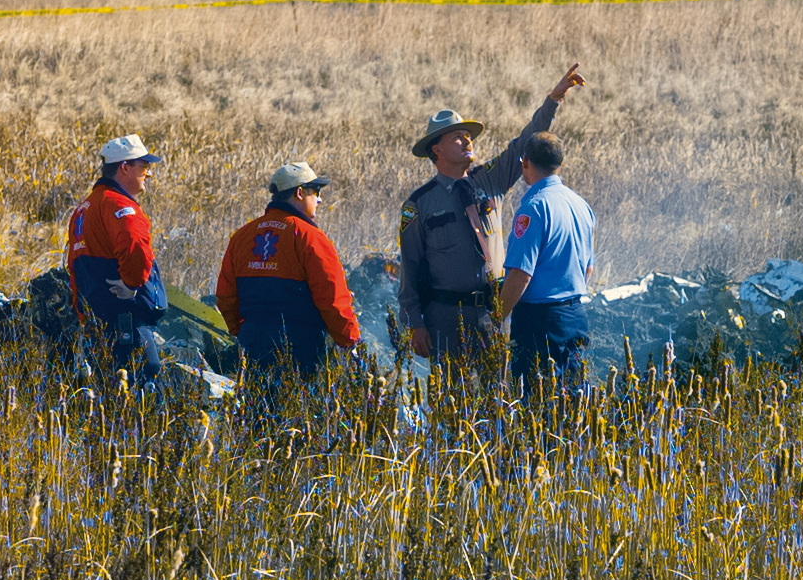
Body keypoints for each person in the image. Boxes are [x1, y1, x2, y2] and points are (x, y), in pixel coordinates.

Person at [399, 62, 585, 360]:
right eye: (457, 136)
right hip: (447, 320)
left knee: (495, 400)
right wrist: (415, 324)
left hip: (493, 316)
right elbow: (409, 269)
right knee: (452, 400)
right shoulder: (419, 204)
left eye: (468, 135)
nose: (468, 140)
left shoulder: (489, 179)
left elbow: (524, 143)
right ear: (437, 149)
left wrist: (554, 100)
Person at [216, 161, 360, 376]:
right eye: (316, 192)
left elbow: (225, 296)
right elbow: (332, 297)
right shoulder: (310, 237)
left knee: (258, 406)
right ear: (300, 193)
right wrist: (350, 340)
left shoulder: (243, 236)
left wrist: (244, 332)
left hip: (252, 342)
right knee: (299, 407)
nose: (319, 200)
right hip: (301, 345)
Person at [67, 134, 168, 382]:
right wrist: (132, 285)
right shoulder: (120, 205)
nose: (149, 174)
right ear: (125, 167)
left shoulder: (83, 209)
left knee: (105, 389)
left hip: (96, 323)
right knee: (143, 382)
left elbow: (73, 268)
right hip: (126, 321)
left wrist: (83, 314)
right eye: (143, 167)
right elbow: (135, 249)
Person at [499, 131, 595, 381]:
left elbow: (520, 275)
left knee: (537, 405)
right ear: (559, 164)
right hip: (574, 317)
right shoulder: (581, 204)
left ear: (525, 162)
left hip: (540, 323)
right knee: (570, 405)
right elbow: (588, 270)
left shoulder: (533, 208)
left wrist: (496, 318)